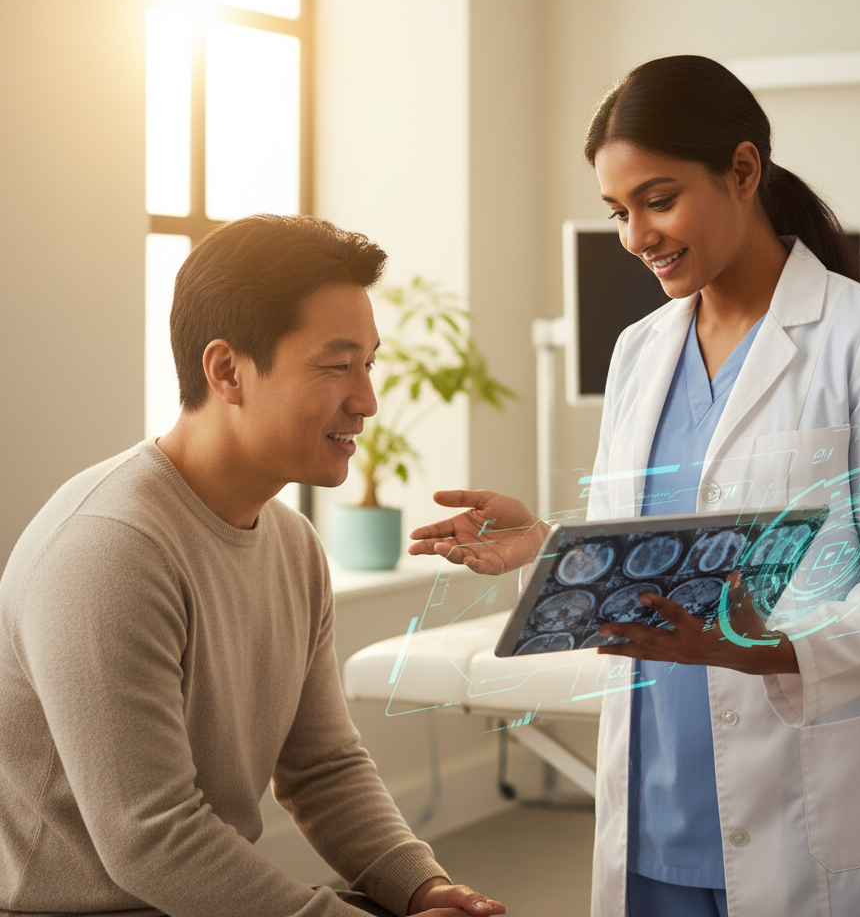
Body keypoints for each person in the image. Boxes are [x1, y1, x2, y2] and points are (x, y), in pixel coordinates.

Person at [409, 56, 860, 917]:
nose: (636, 235)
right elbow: (650, 550)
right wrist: (549, 545)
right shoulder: (640, 350)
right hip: (655, 799)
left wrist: (771, 649)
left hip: (808, 801)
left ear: (742, 170)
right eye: (618, 211)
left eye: (658, 200)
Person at [0, 215, 506, 917]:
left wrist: (421, 888)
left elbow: (323, 768)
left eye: (369, 364)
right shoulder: (107, 550)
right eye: (336, 366)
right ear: (227, 371)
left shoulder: (292, 544)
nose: (367, 401)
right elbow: (152, 839)